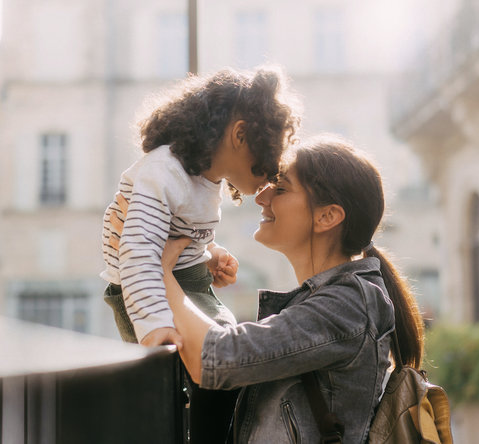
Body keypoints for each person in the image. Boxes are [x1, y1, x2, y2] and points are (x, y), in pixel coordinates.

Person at [154, 134, 424, 443]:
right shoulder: (331, 301)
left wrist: (160, 273)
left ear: (327, 216)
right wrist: (194, 270)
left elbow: (215, 358)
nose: (261, 197)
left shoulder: (348, 304)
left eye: (280, 188)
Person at [101, 66, 300, 443]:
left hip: (180, 281)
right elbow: (138, 253)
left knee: (229, 355)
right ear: (240, 134)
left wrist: (209, 254)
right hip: (143, 291)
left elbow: (180, 234)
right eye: (266, 162)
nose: (267, 180)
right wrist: (156, 327)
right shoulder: (161, 174)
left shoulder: (204, 178)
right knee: (214, 368)